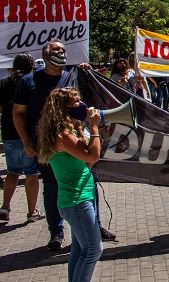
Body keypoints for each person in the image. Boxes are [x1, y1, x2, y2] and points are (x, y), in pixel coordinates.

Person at [13, 41, 115, 250]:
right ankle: (56, 233)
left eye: (64, 50)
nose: (61, 53)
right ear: (44, 54)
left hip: (76, 140)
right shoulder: (29, 81)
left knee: (88, 182)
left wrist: (87, 71)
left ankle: (94, 225)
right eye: (56, 50)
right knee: (51, 188)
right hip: (48, 145)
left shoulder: (73, 75)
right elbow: (18, 113)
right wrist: (25, 140)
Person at [36, 88, 102, 282]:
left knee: (79, 249)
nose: (81, 104)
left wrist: (95, 136)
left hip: (79, 198)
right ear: (62, 108)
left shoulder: (70, 132)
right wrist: (95, 129)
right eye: (75, 102)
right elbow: (94, 156)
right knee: (93, 250)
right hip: (76, 202)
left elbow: (87, 163)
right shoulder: (63, 135)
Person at [0, 54, 45, 223]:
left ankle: (5, 206)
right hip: (30, 134)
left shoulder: (4, 83)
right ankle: (31, 211)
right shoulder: (32, 82)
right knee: (31, 174)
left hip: (9, 133)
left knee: (13, 171)